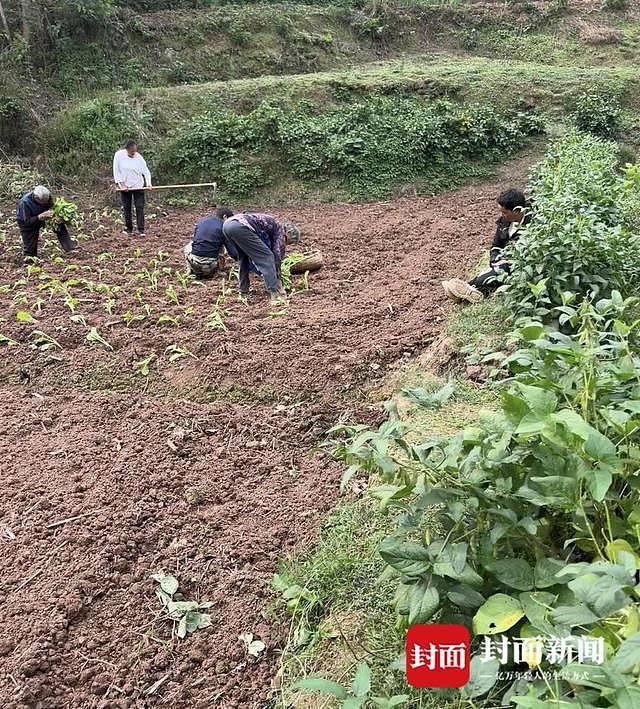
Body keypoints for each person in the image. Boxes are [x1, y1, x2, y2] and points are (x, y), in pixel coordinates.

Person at [442, 188, 532, 303]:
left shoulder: (532, 224)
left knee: (501, 270)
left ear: (517, 211)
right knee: (495, 269)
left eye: (504, 212)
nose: (502, 215)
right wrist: (495, 258)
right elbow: (496, 245)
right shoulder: (504, 223)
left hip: (519, 264)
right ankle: (473, 292)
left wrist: (508, 261)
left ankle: (470, 287)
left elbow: (530, 254)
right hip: (505, 259)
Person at [221, 212, 300, 302]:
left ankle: (243, 291)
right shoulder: (280, 230)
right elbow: (276, 257)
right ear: (288, 233)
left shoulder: (272, 225)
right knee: (268, 257)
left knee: (244, 258)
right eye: (287, 241)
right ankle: (275, 294)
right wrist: (278, 281)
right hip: (240, 226)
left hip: (227, 225)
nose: (285, 244)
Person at [15, 185, 77, 260]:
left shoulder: (47, 197)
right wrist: (39, 217)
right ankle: (30, 259)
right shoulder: (24, 203)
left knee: (59, 226)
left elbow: (52, 207)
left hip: (45, 216)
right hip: (27, 222)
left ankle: (70, 248)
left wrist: (57, 217)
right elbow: (26, 222)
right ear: (36, 198)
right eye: (43, 201)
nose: (46, 202)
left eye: (47, 200)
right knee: (30, 248)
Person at [113, 139, 152, 237]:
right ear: (127, 149)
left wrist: (148, 183)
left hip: (138, 186)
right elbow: (116, 171)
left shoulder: (139, 157)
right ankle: (128, 228)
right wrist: (121, 184)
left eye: (135, 151)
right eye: (132, 151)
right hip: (125, 187)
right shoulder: (118, 156)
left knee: (139, 207)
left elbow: (146, 171)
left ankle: (141, 229)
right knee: (127, 208)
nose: (134, 153)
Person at [184, 206, 235, 278]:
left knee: (189, 245)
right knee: (222, 248)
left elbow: (196, 239)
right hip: (211, 266)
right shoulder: (224, 227)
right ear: (225, 216)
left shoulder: (202, 221)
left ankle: (189, 270)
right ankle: (218, 271)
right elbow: (233, 253)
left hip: (194, 263)